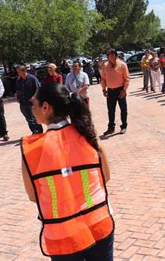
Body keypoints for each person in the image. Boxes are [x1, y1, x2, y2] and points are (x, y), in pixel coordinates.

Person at [21, 83, 114, 260]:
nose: (32, 108)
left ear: (46, 107)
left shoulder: (32, 149)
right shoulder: (88, 134)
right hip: (99, 221)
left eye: (34, 104)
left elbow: (33, 196)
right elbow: (106, 176)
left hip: (61, 231)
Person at [101, 48, 130, 135]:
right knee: (111, 110)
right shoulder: (105, 66)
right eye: (109, 55)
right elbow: (103, 79)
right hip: (110, 91)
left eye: (113, 55)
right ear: (107, 56)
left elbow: (127, 79)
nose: (111, 57)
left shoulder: (122, 65)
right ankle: (111, 128)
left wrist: (124, 90)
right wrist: (103, 89)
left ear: (116, 55)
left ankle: (124, 126)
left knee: (123, 109)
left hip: (120, 90)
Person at [16, 65, 43, 134]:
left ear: (24, 71)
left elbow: (38, 88)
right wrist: (17, 97)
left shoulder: (32, 78)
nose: (18, 73)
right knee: (28, 118)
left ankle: (39, 131)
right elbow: (18, 90)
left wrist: (34, 97)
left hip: (32, 102)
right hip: (23, 102)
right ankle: (34, 131)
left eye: (19, 71)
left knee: (34, 117)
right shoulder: (19, 80)